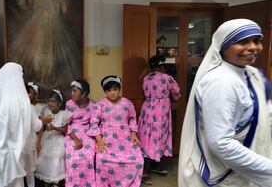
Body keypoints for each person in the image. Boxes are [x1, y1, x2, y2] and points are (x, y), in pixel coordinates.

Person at [179, 19, 272, 187]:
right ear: (223, 46)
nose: (253, 47)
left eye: (257, 41)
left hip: (249, 165)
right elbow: (221, 143)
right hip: (225, 174)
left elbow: (266, 115)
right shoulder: (221, 82)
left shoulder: (252, 74)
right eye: (242, 41)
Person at [9, 0, 81, 89]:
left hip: (53, 23)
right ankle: (39, 76)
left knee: (51, 51)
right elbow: (23, 2)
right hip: (38, 23)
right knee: (38, 50)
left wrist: (59, 0)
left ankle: (48, 78)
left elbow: (63, 5)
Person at [90, 75, 144, 186]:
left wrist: (133, 134)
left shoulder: (127, 103)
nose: (113, 93)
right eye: (109, 90)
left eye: (115, 89)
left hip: (125, 137)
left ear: (119, 89)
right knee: (102, 159)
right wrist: (99, 140)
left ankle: (126, 183)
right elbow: (94, 123)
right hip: (107, 137)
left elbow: (132, 118)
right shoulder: (100, 105)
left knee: (137, 159)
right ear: (105, 91)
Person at [138, 55, 180, 185]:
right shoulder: (167, 78)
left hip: (147, 109)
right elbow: (177, 93)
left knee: (147, 138)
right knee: (157, 138)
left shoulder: (146, 78)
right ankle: (145, 171)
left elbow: (146, 92)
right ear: (162, 66)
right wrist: (171, 96)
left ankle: (152, 166)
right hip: (160, 112)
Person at [64, 79, 97, 187]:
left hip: (88, 133)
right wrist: (75, 139)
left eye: (75, 91)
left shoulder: (94, 105)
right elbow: (66, 125)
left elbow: (95, 124)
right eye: (72, 91)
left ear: (83, 93)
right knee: (72, 156)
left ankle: (88, 184)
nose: (71, 93)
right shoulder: (69, 104)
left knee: (89, 154)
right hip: (72, 133)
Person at [35, 89, 68, 187]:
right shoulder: (46, 111)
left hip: (57, 141)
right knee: (44, 164)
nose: (50, 103)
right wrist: (39, 141)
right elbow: (41, 127)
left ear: (59, 103)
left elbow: (65, 130)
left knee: (55, 164)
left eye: (53, 101)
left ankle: (55, 183)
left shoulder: (64, 114)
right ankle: (46, 182)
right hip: (46, 140)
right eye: (49, 101)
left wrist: (54, 128)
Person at [23, 82, 45, 187]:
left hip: (31, 139)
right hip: (22, 139)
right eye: (26, 92)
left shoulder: (37, 108)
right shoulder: (22, 106)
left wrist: (39, 141)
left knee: (29, 168)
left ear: (35, 95)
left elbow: (40, 126)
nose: (27, 95)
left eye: (30, 93)